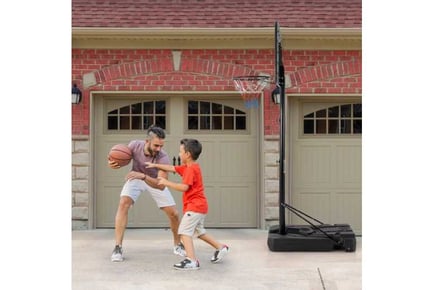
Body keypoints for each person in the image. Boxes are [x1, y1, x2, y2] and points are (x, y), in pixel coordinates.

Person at [146, 138, 229, 270]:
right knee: (200, 232)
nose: (179, 155)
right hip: (200, 206)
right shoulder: (189, 167)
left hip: (195, 206)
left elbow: (184, 187)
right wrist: (155, 165)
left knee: (184, 231)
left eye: (180, 152)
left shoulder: (190, 170)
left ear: (188, 154)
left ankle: (191, 260)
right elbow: (172, 167)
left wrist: (166, 183)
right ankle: (221, 247)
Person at [108, 126, 185, 262]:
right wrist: (112, 162)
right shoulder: (134, 145)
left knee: (174, 214)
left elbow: (161, 186)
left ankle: (178, 245)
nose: (158, 149)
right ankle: (118, 247)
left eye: (161, 146)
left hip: (153, 181)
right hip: (136, 178)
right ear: (147, 141)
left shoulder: (163, 157)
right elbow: (119, 157)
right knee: (123, 203)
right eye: (156, 145)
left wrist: (143, 176)